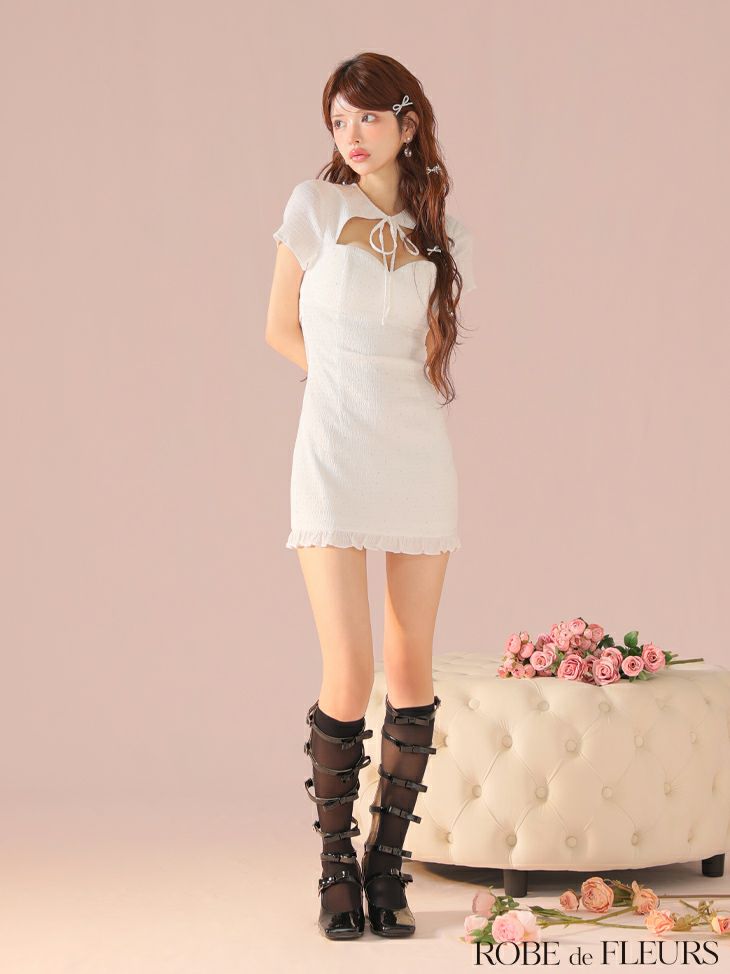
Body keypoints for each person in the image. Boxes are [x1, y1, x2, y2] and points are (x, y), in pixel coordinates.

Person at [265, 52, 476, 940]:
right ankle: (335, 867)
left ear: (406, 123)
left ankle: (388, 867)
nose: (351, 136)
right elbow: (279, 328)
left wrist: (388, 398)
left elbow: (426, 356)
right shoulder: (313, 207)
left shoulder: (439, 233)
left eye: (367, 117)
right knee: (349, 670)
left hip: (416, 450)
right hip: (334, 449)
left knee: (412, 665)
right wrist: (340, 390)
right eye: (338, 121)